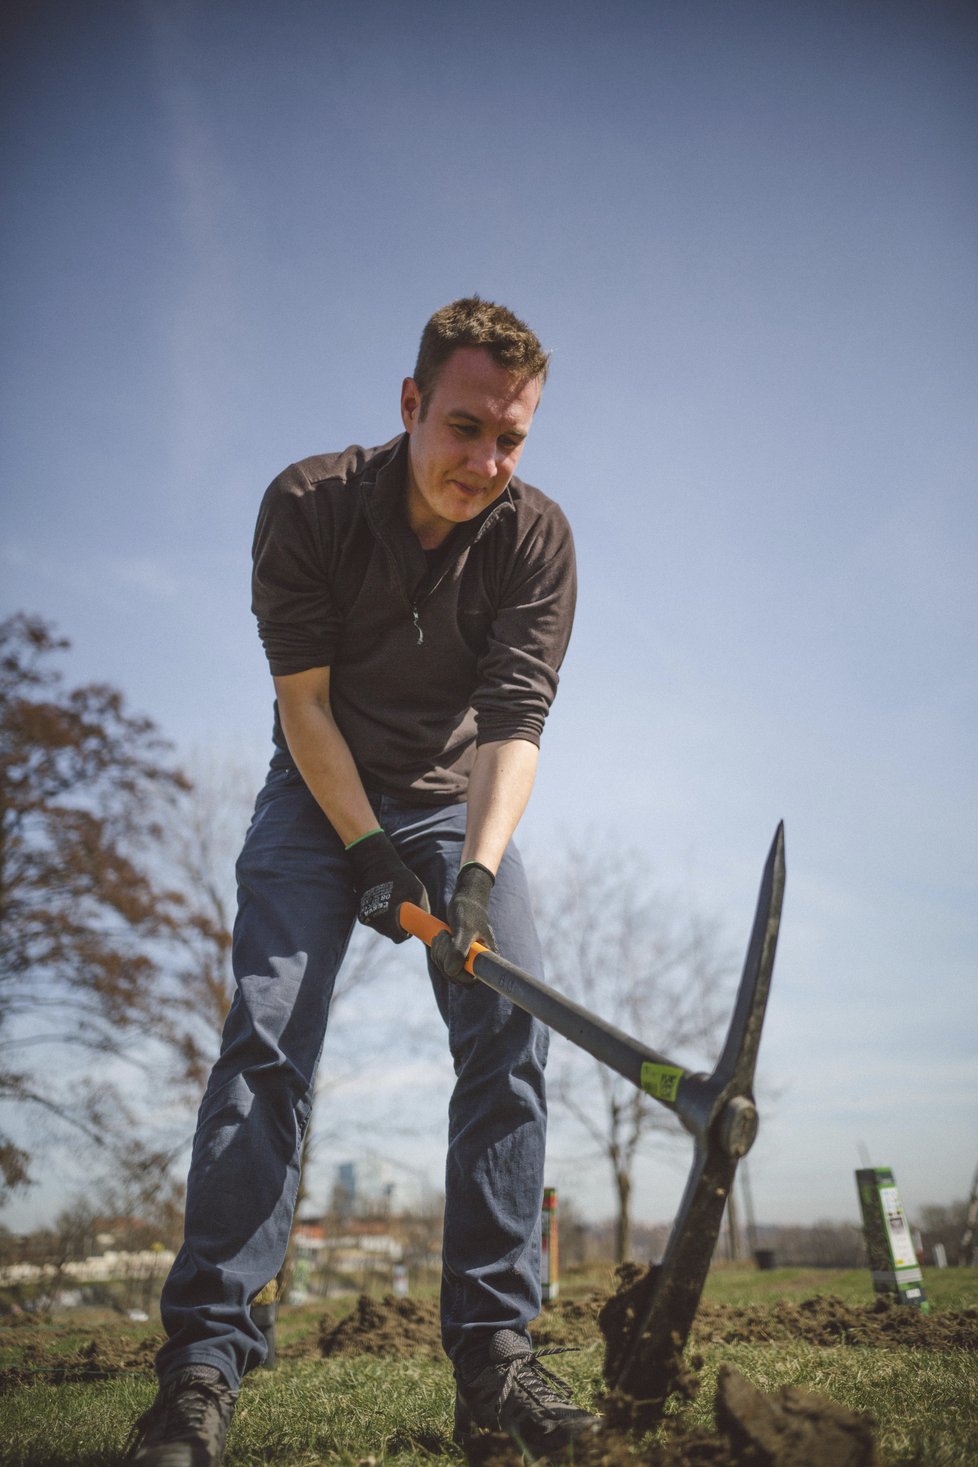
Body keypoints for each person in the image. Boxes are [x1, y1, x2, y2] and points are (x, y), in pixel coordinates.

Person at [126, 297, 599, 1464]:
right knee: (268, 1034)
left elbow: (514, 725)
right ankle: (201, 1365)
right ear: (409, 406)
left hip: (452, 801)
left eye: (512, 439)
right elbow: (304, 707)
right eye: (465, 427)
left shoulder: (537, 538)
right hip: (316, 791)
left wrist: (474, 876)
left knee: (507, 1030)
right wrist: (368, 857)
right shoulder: (310, 506)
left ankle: (494, 1358)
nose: (486, 462)